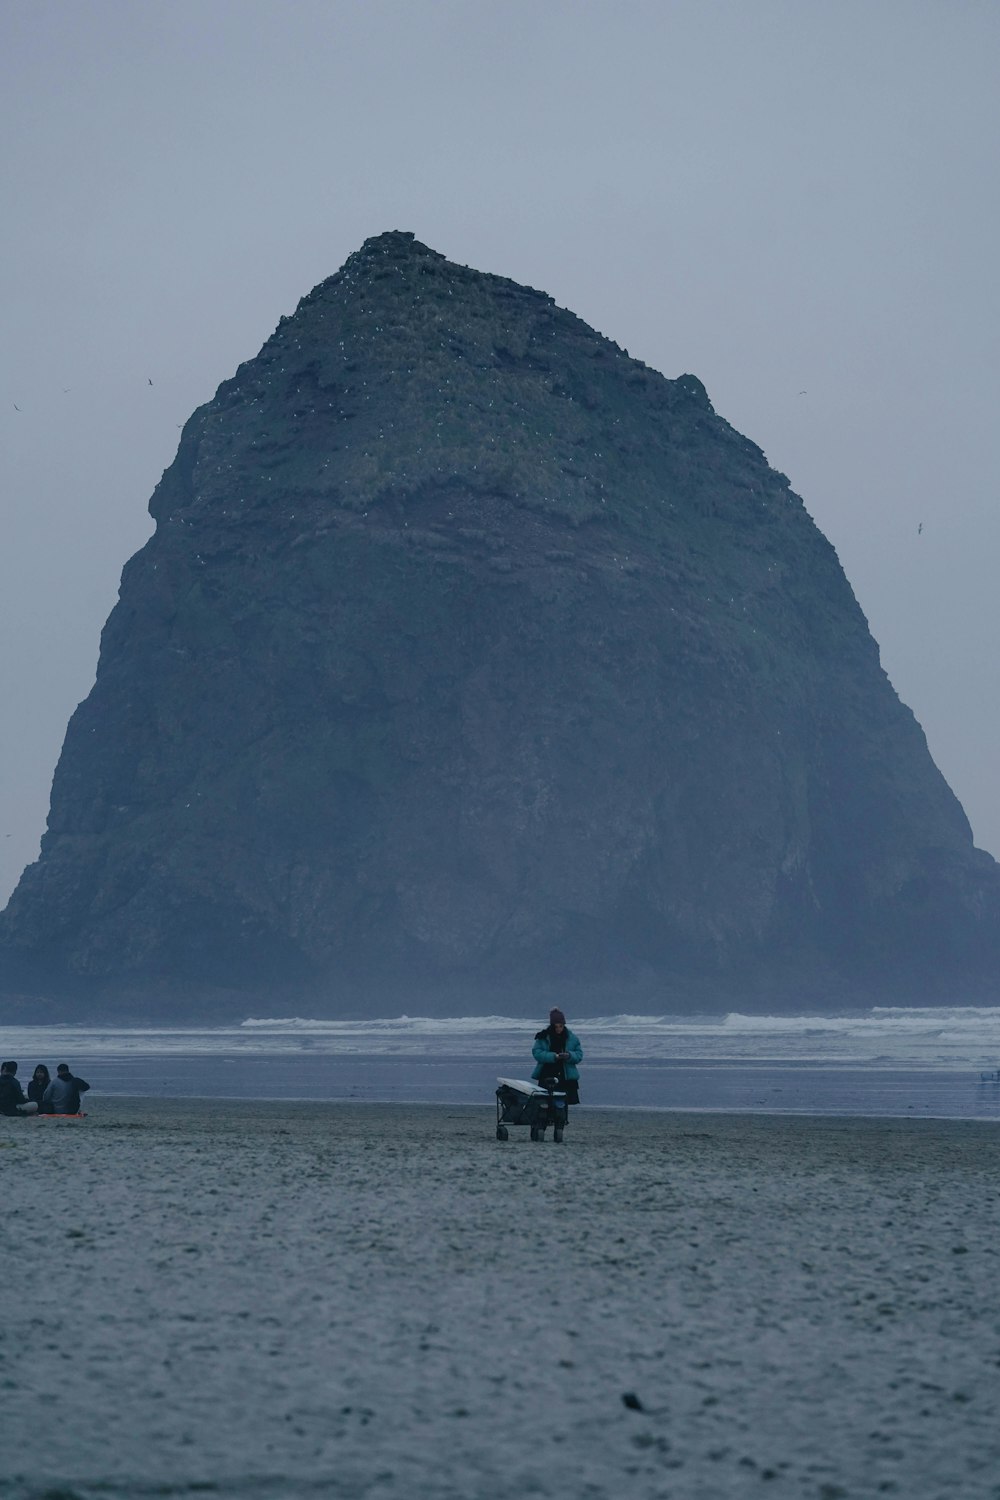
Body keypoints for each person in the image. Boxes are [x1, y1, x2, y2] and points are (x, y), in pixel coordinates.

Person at [531, 1008, 583, 1142]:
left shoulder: (572, 1037)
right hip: (547, 1074)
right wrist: (553, 1056)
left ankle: (559, 1127)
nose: (559, 1028)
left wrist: (569, 1056)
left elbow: (579, 1055)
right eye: (556, 1026)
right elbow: (537, 1053)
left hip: (565, 1076)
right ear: (552, 1025)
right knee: (544, 1102)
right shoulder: (543, 1037)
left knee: (561, 1103)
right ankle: (541, 1126)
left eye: (561, 1026)